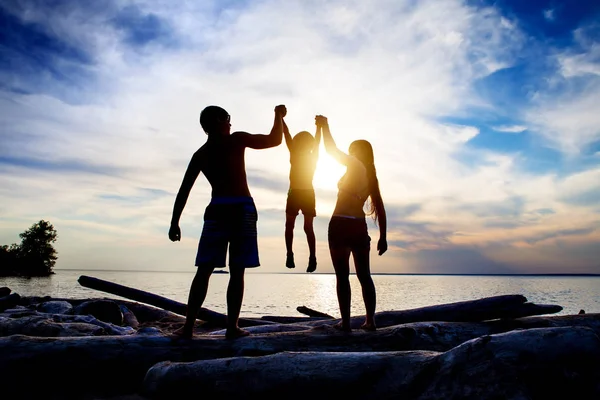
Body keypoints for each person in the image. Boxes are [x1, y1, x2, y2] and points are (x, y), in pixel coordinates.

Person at [169, 104, 287, 339]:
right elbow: (275, 140)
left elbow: (184, 191)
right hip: (239, 208)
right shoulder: (235, 140)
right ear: (216, 122)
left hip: (220, 210)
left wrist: (175, 222)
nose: (230, 122)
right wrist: (278, 116)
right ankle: (226, 327)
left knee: (207, 270)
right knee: (234, 271)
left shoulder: (202, 154)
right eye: (227, 118)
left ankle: (191, 327)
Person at [316, 114, 387, 331]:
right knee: (365, 276)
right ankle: (370, 321)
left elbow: (331, 150)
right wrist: (383, 237)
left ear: (358, 152)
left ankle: (346, 323)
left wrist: (325, 126)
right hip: (358, 226)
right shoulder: (371, 177)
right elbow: (381, 209)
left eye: (352, 149)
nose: (350, 152)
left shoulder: (355, 164)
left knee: (342, 277)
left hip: (340, 226)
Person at [283, 118, 321, 272]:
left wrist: (319, 127)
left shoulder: (309, 155)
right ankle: (290, 254)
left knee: (307, 227)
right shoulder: (295, 153)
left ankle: (312, 257)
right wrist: (281, 119)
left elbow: (316, 142)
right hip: (297, 193)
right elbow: (287, 134)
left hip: (305, 194)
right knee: (292, 226)